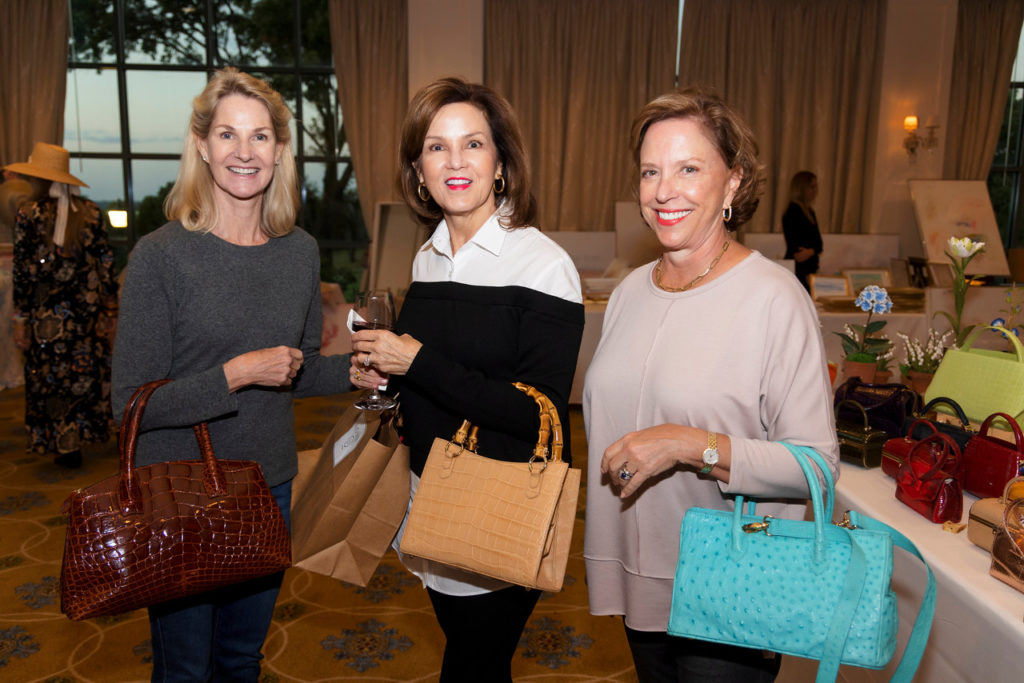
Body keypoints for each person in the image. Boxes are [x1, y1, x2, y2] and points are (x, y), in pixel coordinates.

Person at [582, 89, 839, 682]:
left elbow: (817, 468)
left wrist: (686, 443)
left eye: (689, 169)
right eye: (651, 171)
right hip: (637, 575)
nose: (663, 190)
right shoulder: (627, 295)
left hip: (731, 584)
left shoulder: (775, 299)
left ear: (732, 183)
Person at [111, 68, 351, 682]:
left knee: (242, 659)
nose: (245, 152)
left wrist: (363, 372)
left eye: (260, 136)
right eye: (227, 134)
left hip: (266, 488)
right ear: (202, 145)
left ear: (279, 151)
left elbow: (294, 372)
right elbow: (130, 404)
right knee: (186, 669)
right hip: (180, 492)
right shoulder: (161, 256)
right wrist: (235, 375)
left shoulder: (298, 251)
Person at [349, 77, 585, 682]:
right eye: (436, 146)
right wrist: (384, 377)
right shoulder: (425, 258)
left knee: (471, 666)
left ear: (500, 163)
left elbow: (539, 414)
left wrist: (415, 361)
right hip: (426, 496)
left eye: (473, 144)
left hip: (500, 506)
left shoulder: (542, 264)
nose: (455, 161)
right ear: (417, 169)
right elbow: (436, 381)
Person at [8, 142, 118, 468]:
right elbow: (106, 264)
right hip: (87, 316)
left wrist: (20, 318)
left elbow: (22, 273)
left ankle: (65, 445)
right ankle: (86, 433)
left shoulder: (29, 214)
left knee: (52, 380)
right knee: (84, 376)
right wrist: (110, 310)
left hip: (47, 321)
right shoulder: (91, 212)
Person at [782, 170, 823, 291]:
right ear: (802, 189)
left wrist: (810, 251)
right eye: (812, 187)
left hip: (808, 268)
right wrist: (812, 250)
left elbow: (819, 244)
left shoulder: (809, 212)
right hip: (798, 270)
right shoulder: (792, 212)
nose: (816, 191)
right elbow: (797, 250)